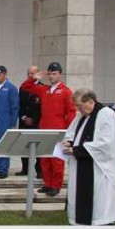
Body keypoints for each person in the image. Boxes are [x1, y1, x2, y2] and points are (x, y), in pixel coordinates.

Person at [62, 88, 115, 226]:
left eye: (79, 105)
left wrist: (77, 150)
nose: (78, 109)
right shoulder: (83, 115)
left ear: (91, 101)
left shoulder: (106, 115)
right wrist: (70, 142)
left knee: (98, 202)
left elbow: (106, 143)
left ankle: (100, 221)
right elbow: (73, 134)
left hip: (99, 168)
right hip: (81, 164)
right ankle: (80, 221)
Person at [37, 62, 76, 197]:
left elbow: (71, 112)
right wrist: (34, 78)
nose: (51, 76)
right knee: (45, 159)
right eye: (49, 74)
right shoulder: (44, 90)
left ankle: (56, 185)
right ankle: (47, 183)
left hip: (59, 129)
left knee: (57, 159)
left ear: (60, 74)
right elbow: (27, 87)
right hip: (44, 129)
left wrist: (68, 131)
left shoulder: (66, 91)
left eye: (54, 74)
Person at [16, 65, 43, 177]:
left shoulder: (43, 88)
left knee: (38, 147)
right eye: (29, 73)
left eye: (33, 73)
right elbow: (20, 105)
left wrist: (33, 119)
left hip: (36, 122)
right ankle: (25, 168)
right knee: (24, 145)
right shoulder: (23, 88)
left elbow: (42, 108)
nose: (31, 75)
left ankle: (39, 170)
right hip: (24, 120)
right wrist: (23, 117)